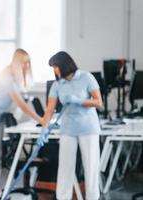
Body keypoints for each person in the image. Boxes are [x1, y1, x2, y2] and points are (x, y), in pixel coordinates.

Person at [0, 48, 42, 200]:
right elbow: (21, 104)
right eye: (24, 62)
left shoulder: (17, 78)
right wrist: (40, 119)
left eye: (28, 62)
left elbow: (22, 100)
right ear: (18, 62)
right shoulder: (7, 77)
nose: (27, 66)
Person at [41, 51, 102, 200]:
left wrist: (79, 101)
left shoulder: (86, 77)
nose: (54, 70)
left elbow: (98, 102)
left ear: (64, 65)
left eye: (55, 66)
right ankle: (63, 198)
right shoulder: (57, 84)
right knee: (65, 168)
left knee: (91, 167)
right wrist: (43, 129)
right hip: (68, 129)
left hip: (88, 128)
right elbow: (49, 109)